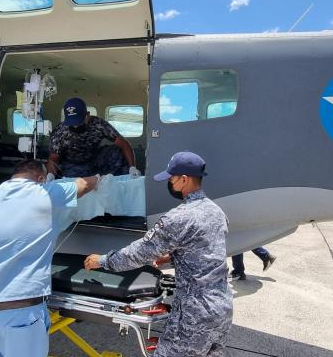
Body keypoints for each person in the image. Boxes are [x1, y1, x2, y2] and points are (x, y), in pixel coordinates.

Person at [84, 151, 232, 357]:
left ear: (184, 179)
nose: (169, 183)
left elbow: (139, 253)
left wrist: (102, 260)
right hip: (222, 307)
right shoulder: (216, 211)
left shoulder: (179, 217)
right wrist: (171, 257)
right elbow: (205, 250)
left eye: (171, 178)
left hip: (194, 313)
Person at [0, 160, 99, 357]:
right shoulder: (43, 192)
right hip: (19, 312)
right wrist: (99, 178)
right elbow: (84, 185)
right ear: (41, 179)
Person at [46, 97, 140, 179]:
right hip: (74, 165)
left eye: (78, 122)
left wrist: (132, 167)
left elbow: (123, 144)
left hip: (95, 159)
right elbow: (53, 159)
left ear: (87, 116)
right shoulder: (60, 131)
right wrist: (50, 175)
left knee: (117, 151)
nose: (75, 126)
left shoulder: (98, 124)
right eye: (72, 123)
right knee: (77, 185)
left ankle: (125, 181)